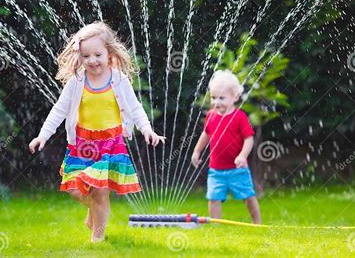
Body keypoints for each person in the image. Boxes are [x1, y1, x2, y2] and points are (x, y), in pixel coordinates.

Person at [28, 21, 165, 242]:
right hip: (82, 145)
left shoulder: (118, 80)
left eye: (97, 55)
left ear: (109, 53)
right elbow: (59, 110)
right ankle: (96, 212)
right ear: (79, 57)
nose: (92, 60)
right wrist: (42, 135)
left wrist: (147, 129)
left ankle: (97, 238)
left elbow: (135, 107)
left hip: (110, 144)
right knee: (76, 190)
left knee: (101, 190)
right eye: (86, 56)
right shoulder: (77, 82)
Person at [191, 70, 261, 224]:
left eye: (222, 98)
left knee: (248, 196)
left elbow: (249, 139)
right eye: (213, 97)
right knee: (214, 198)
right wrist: (197, 151)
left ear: (235, 97)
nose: (217, 102)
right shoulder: (211, 115)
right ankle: (217, 225)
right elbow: (206, 134)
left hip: (238, 169)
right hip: (216, 169)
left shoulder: (239, 117)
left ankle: (257, 223)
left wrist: (242, 156)